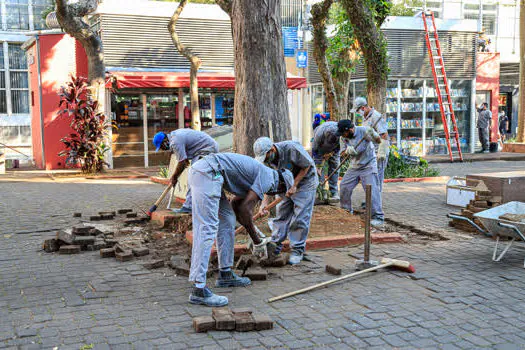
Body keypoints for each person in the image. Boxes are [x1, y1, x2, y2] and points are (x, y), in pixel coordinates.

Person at [187, 152, 293, 306]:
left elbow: (236, 206)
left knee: (227, 219)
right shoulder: (269, 178)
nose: (275, 194)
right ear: (282, 185)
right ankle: (199, 289)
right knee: (207, 229)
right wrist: (257, 241)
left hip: (209, 172)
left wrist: (255, 234)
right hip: (208, 173)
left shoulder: (261, 176)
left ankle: (225, 274)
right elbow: (245, 209)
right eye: (279, 192)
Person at [253, 137, 318, 265]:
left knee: (300, 216)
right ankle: (275, 245)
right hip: (284, 182)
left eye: (266, 156)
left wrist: (294, 185)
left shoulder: (291, 148)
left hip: (305, 182)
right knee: (281, 214)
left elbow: (307, 166)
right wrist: (264, 203)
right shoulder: (267, 159)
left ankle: (297, 250)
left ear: (272, 150)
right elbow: (269, 180)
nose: (265, 160)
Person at [152, 129, 219, 213]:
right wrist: (182, 165)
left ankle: (189, 207)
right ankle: (193, 205)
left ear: (165, 141)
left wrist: (174, 176)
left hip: (206, 150)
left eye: (161, 146)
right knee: (197, 179)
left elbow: (182, 162)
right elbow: (184, 160)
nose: (163, 149)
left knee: (193, 178)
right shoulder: (175, 137)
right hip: (204, 149)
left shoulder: (175, 142)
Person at [337, 120, 385, 227]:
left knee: (371, 190)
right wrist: (347, 151)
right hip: (354, 166)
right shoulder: (343, 137)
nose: (342, 135)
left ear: (350, 129)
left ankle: (378, 216)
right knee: (344, 186)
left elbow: (378, 141)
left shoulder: (364, 131)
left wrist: (373, 134)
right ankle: (346, 211)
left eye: (343, 133)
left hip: (368, 165)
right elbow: (342, 153)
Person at [353, 97, 390, 192]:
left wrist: (381, 152)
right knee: (370, 177)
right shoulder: (365, 118)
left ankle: (375, 202)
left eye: (357, 111)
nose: (357, 113)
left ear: (362, 108)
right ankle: (371, 200)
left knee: (377, 177)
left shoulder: (375, 116)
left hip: (379, 153)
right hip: (371, 152)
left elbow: (384, 135)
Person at [312, 121, 341, 201]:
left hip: (334, 150)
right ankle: (320, 191)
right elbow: (315, 150)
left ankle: (333, 192)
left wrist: (331, 153)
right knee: (319, 171)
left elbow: (339, 147)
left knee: (334, 168)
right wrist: (318, 166)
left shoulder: (340, 133)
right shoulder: (319, 135)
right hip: (320, 150)